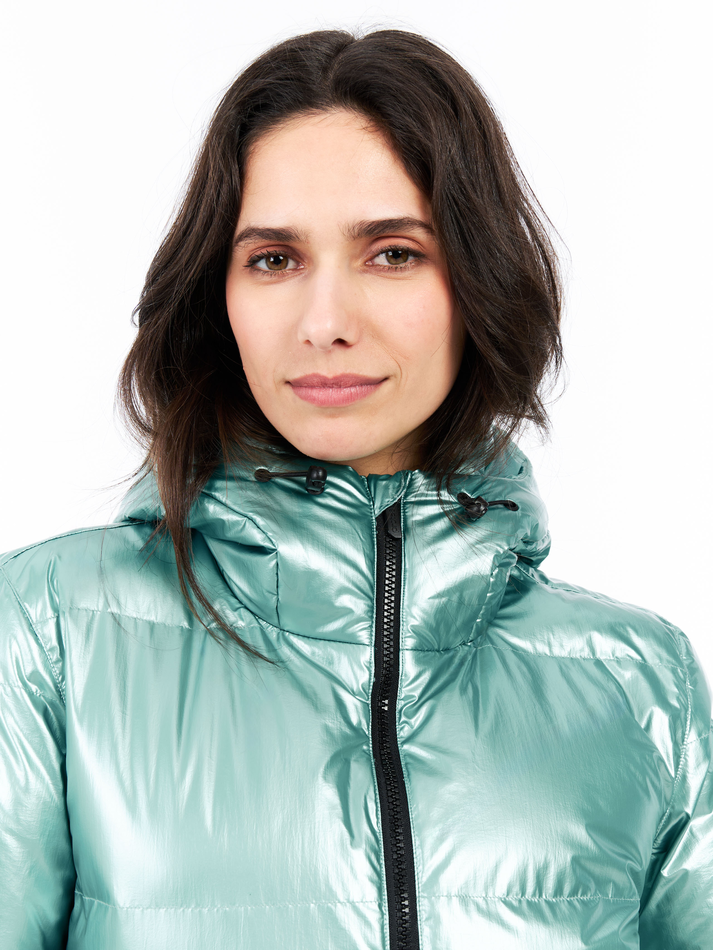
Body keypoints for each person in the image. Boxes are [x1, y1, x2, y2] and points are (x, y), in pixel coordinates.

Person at [0, 27, 710, 950]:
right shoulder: (51, 631)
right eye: (274, 259)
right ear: (218, 296)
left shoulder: (637, 681)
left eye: (392, 253)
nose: (325, 321)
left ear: (477, 281)